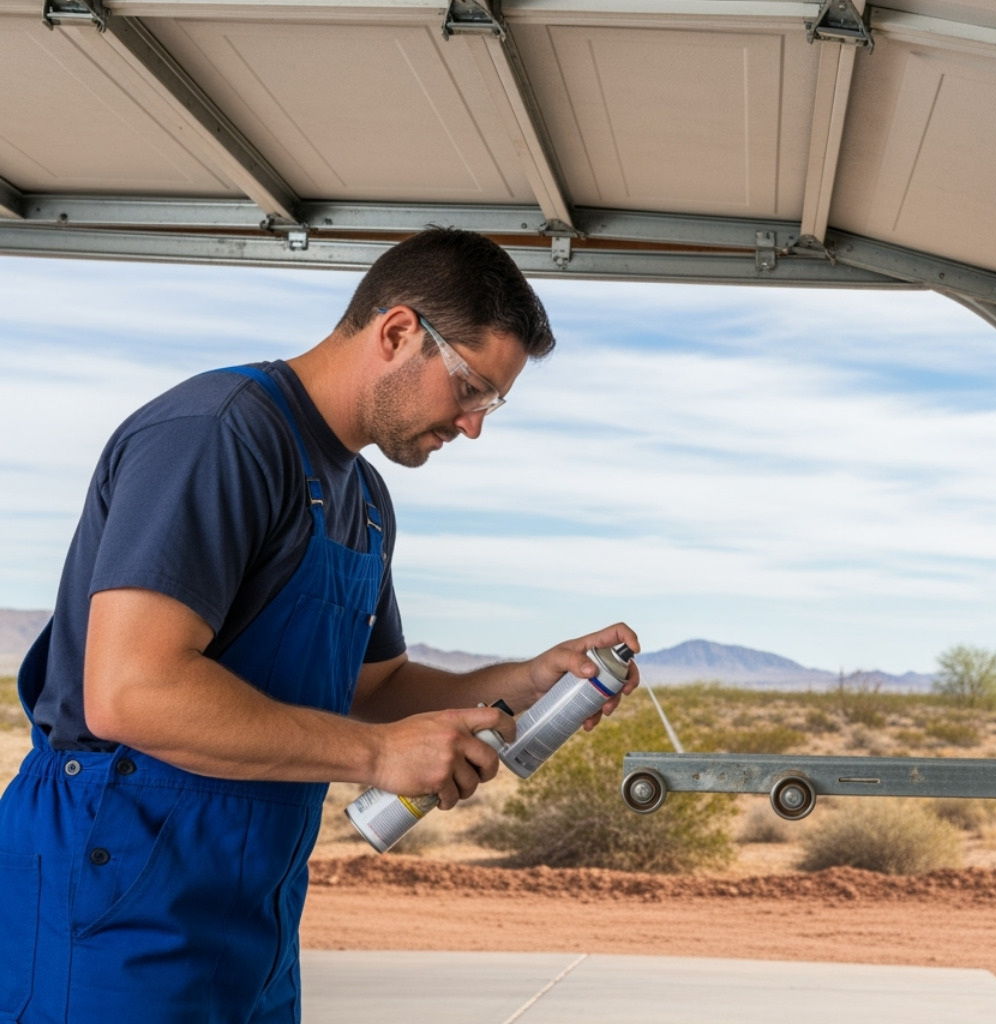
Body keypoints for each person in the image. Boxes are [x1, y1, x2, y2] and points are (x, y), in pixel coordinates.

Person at [0, 228, 640, 1022]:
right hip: (111, 890)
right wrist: (377, 756)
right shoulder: (217, 435)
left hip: (251, 910)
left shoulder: (364, 499)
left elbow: (377, 687)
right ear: (399, 332)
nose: (475, 425)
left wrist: (529, 679)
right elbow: (132, 691)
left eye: (492, 403)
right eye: (471, 388)